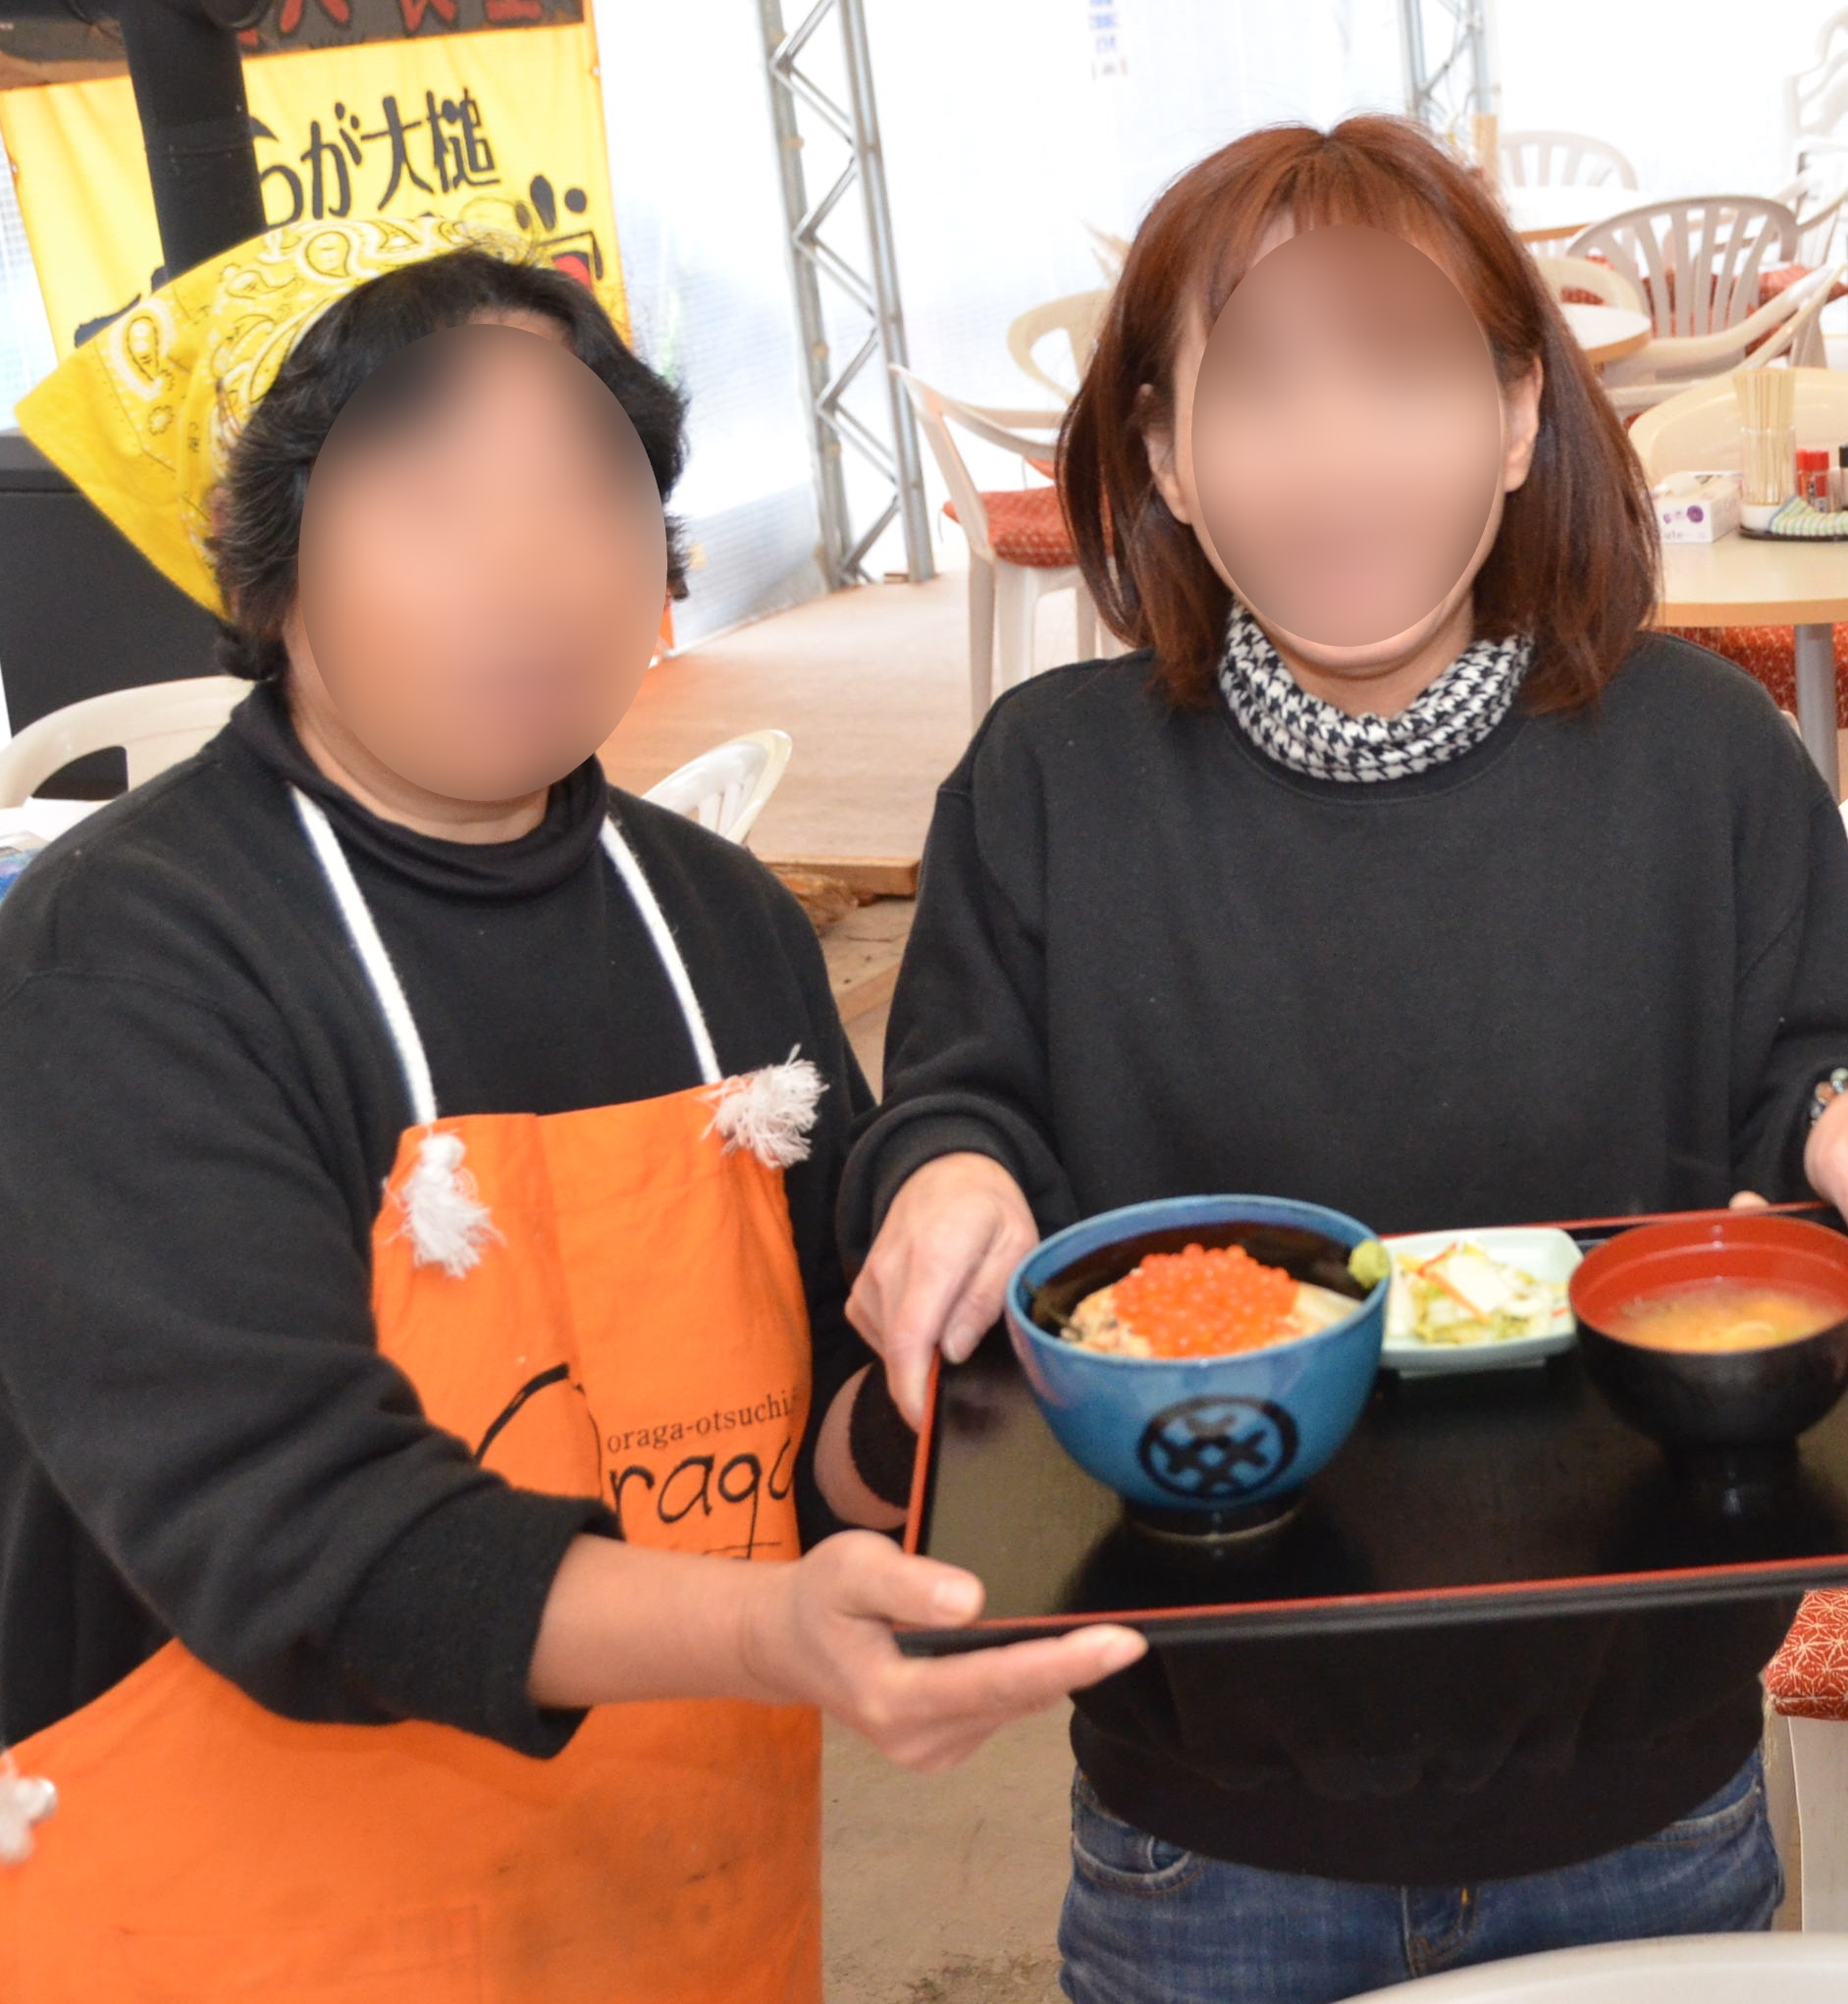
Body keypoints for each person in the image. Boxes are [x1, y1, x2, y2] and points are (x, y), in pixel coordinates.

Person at [842, 116, 1848, 2003]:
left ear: (1521, 415)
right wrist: (944, 1177)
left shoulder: (1699, 758)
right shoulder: (1051, 784)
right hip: (1205, 1832)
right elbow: (962, 1103)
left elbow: (1823, 1066)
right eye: (1260, 388)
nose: (1338, 457)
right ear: (1165, 456)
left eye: (1401, 376)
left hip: (1646, 1798)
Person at [0, 229, 1140, 2001]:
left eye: (589, 489)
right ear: (271, 566)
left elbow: (820, 1431)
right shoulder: (130, 954)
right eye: (435, 503)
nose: (530, 566)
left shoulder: (715, 919)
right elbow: (288, 1533)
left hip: (678, 1915)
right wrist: (770, 1632)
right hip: (251, 1937)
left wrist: (956, 1410)